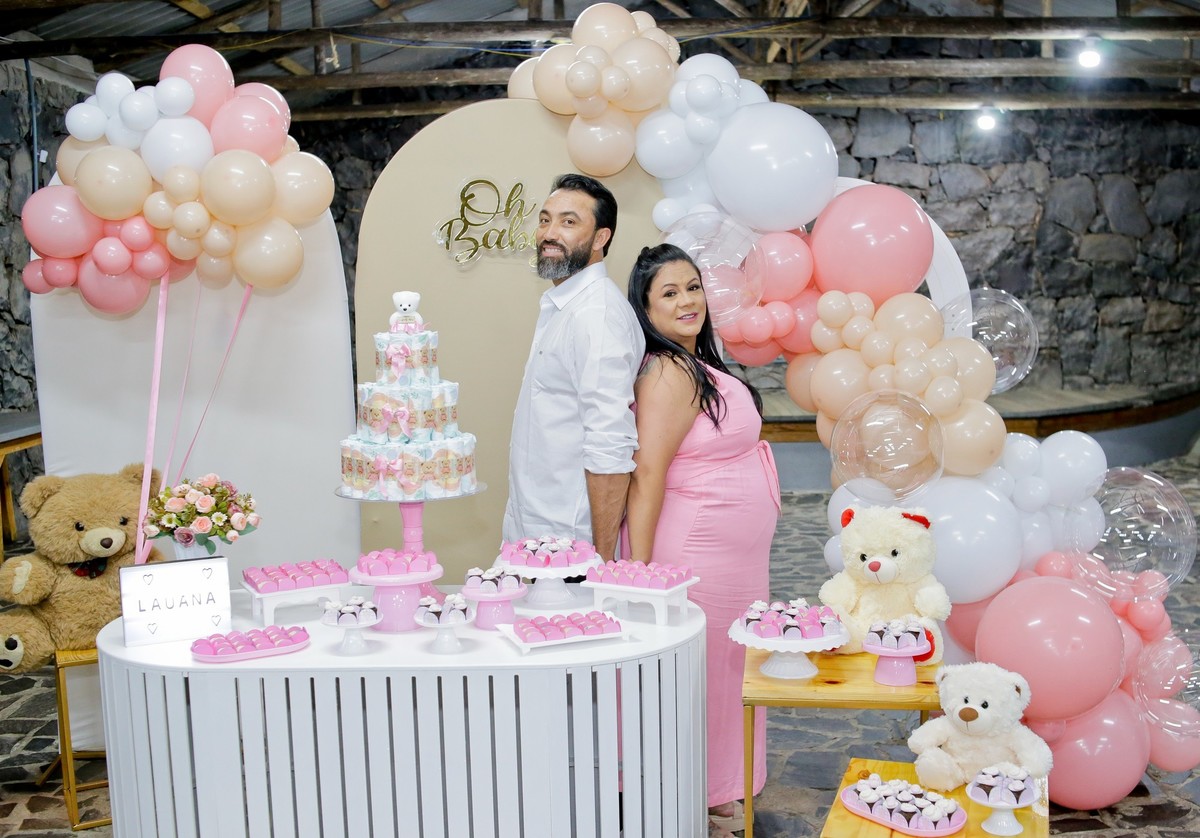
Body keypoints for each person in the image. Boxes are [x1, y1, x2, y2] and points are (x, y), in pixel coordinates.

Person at [622, 243, 780, 834]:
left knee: (727, 668)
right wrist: (640, 573)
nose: (687, 300)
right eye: (669, 293)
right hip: (696, 552)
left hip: (730, 557)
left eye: (692, 287)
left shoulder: (695, 362)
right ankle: (692, 791)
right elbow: (648, 474)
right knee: (704, 673)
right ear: (645, 309)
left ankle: (716, 786)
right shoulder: (666, 371)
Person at [502, 173, 644, 563]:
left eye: (568, 222)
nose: (549, 234)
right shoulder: (564, 305)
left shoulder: (596, 315)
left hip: (572, 544)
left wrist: (601, 561)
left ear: (600, 238)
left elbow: (610, 444)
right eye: (545, 220)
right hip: (536, 529)